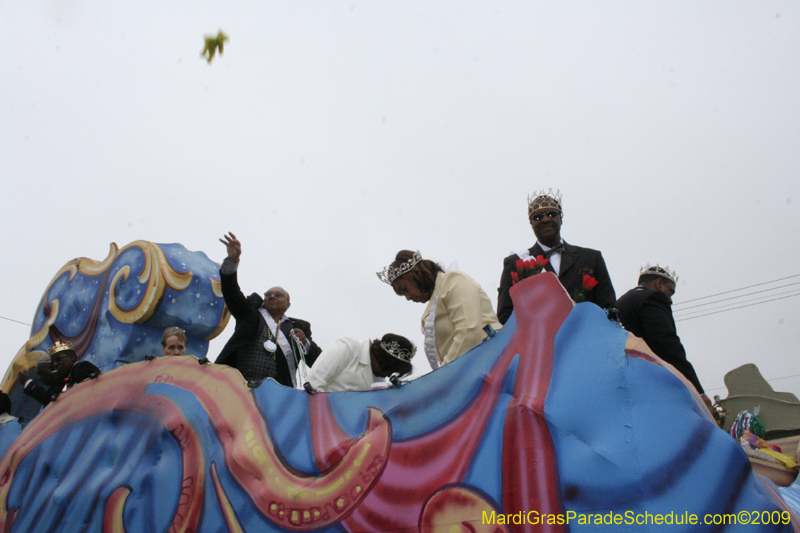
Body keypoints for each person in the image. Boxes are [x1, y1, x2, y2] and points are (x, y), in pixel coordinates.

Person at [215, 232, 321, 387]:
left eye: (278, 294)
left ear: (288, 304)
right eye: (268, 294)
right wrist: (232, 261)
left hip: (280, 395)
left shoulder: (299, 327)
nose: (272, 296)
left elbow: (319, 361)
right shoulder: (249, 314)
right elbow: (231, 292)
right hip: (241, 387)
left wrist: (305, 343)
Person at [497, 189, 616, 324]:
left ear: (561, 219)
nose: (545, 219)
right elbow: (505, 315)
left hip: (585, 338)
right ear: (531, 224)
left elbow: (608, 306)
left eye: (552, 214)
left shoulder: (591, 257)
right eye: (538, 217)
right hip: (539, 341)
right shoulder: (515, 262)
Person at [378, 251, 501, 368]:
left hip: (494, 360)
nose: (408, 297)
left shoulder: (453, 281)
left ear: (417, 274)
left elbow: (469, 330)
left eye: (405, 289)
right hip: (471, 369)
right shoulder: (430, 310)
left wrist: (444, 375)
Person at [616, 264, 713, 410]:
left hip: (623, 383)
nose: (671, 300)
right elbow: (667, 344)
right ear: (659, 284)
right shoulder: (653, 297)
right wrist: (697, 391)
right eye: (670, 291)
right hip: (652, 384)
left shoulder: (620, 302)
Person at [306, 334, 415, 393]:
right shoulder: (347, 348)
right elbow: (314, 384)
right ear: (383, 360)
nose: (388, 375)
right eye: (390, 370)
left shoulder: (379, 381)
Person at [17, 341, 101, 407]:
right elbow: (50, 399)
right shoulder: (63, 379)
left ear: (72, 357)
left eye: (58, 359)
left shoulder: (81, 367)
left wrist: (29, 383)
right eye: (53, 361)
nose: (55, 364)